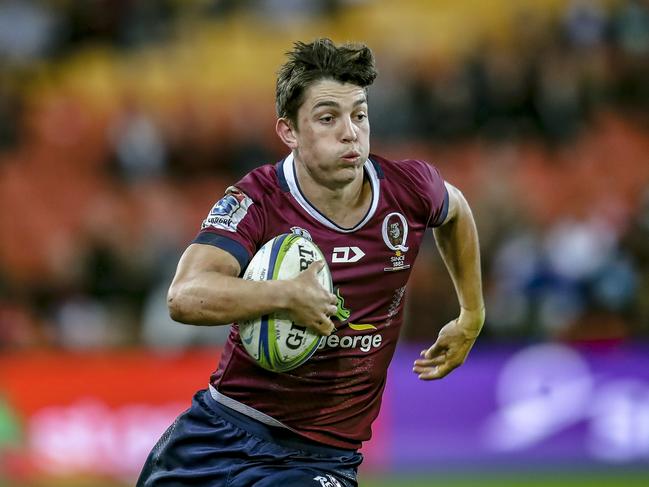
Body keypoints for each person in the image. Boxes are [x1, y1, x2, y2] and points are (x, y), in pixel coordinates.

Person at [137, 38, 485, 487]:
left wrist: (471, 314)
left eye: (359, 114)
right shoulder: (258, 199)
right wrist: (284, 295)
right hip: (218, 436)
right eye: (327, 118)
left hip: (319, 461)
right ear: (289, 132)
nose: (350, 132)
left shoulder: (409, 190)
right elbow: (184, 296)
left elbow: (456, 211)